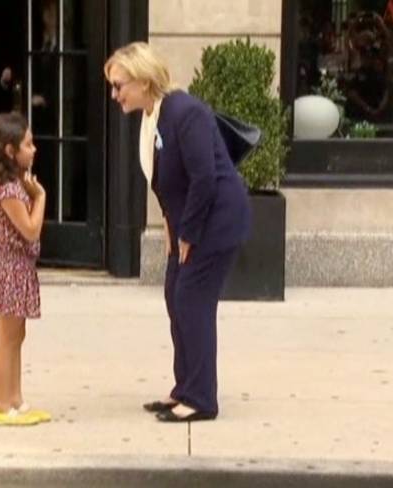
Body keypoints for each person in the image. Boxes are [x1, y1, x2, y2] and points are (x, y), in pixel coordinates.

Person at [104, 42, 251, 422]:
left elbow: (204, 178)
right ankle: (184, 387)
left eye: (119, 85)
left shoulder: (185, 112)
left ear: (142, 80)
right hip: (186, 222)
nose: (114, 94)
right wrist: (171, 229)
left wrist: (188, 234)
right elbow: (166, 182)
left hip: (215, 222)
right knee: (175, 296)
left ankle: (201, 399)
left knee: (192, 302)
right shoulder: (153, 115)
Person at [0, 113, 51, 427]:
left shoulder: (16, 186)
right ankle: (0, 405)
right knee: (6, 338)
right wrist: (41, 197)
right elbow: (30, 230)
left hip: (20, 268)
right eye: (28, 144)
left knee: (17, 336)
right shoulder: (7, 191)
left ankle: (15, 398)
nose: (34, 149)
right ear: (9, 151)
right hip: (9, 268)